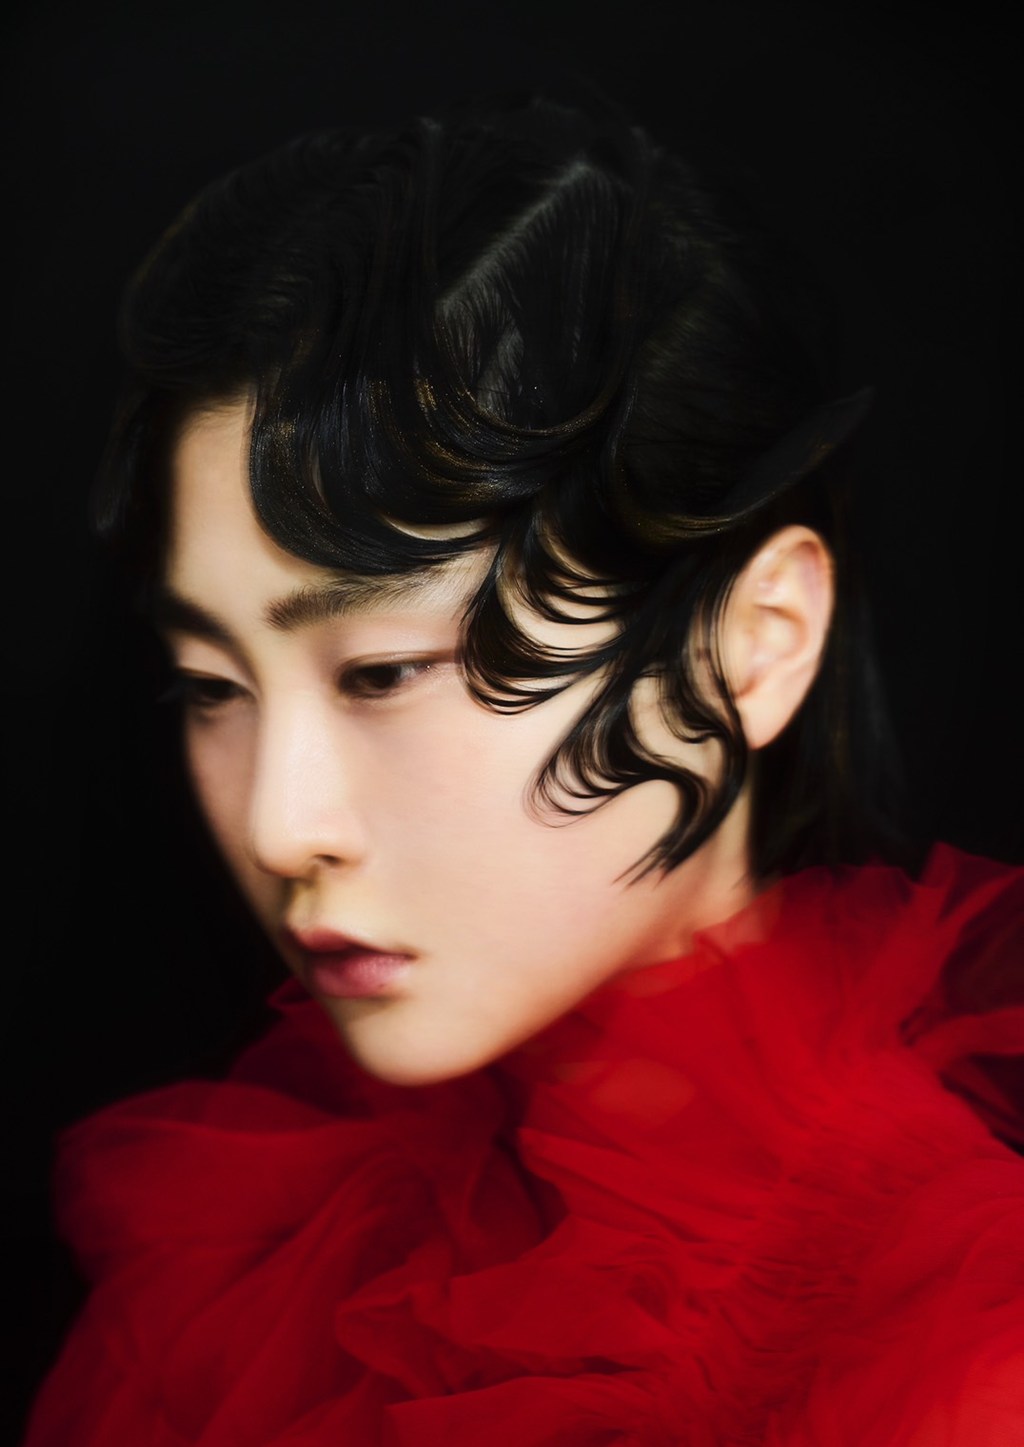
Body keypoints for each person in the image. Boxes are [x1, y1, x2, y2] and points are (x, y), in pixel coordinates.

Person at [23, 94, 1024, 1444]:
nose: (278, 826)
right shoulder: (259, 1248)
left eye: (386, 672)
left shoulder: (961, 1352)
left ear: (755, 643)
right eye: (212, 687)